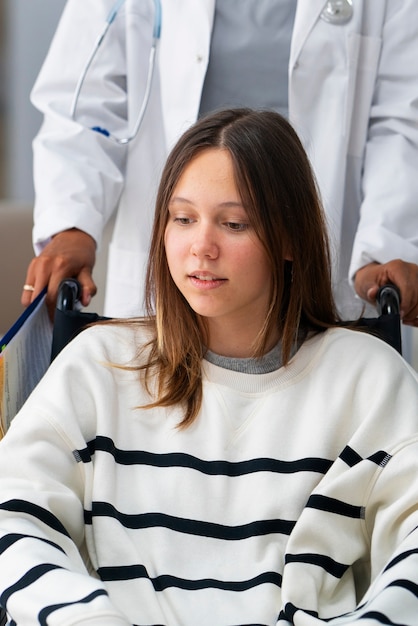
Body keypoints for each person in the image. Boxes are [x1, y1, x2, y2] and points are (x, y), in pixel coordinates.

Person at [1, 108, 418, 625]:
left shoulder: (367, 379)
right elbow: (14, 520)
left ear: (289, 238)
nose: (201, 246)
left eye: (234, 223)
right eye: (182, 218)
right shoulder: (96, 366)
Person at [21, 0, 418, 330]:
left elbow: (401, 123)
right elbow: (82, 107)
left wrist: (383, 248)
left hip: (324, 259)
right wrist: (71, 225)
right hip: (175, 278)